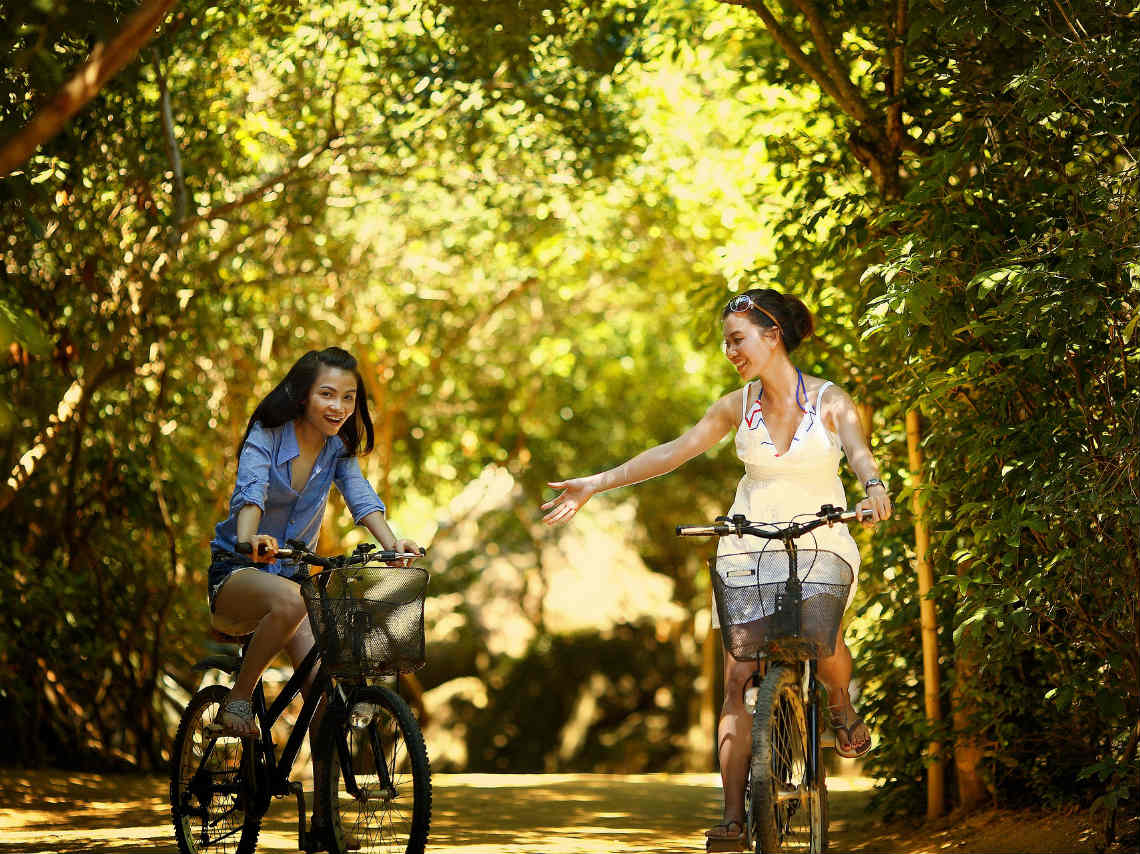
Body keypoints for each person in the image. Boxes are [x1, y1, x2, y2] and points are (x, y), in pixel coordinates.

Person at [541, 289, 891, 848]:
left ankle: (840, 703)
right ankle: (732, 818)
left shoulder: (831, 400)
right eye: (726, 342)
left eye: (738, 339)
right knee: (735, 673)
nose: (730, 351)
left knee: (822, 642)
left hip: (819, 534)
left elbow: (858, 452)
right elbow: (673, 451)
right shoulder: (736, 405)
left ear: (772, 334)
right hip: (748, 538)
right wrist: (596, 483)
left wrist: (874, 489)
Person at [206, 346, 419, 847]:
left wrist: (393, 545)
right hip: (238, 572)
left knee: (328, 698)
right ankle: (238, 702)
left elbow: (360, 496)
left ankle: (324, 822)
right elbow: (251, 491)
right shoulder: (268, 434)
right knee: (292, 599)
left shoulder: (336, 449)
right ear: (303, 394)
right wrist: (251, 536)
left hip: (293, 582)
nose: (338, 406)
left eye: (348, 397)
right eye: (327, 394)